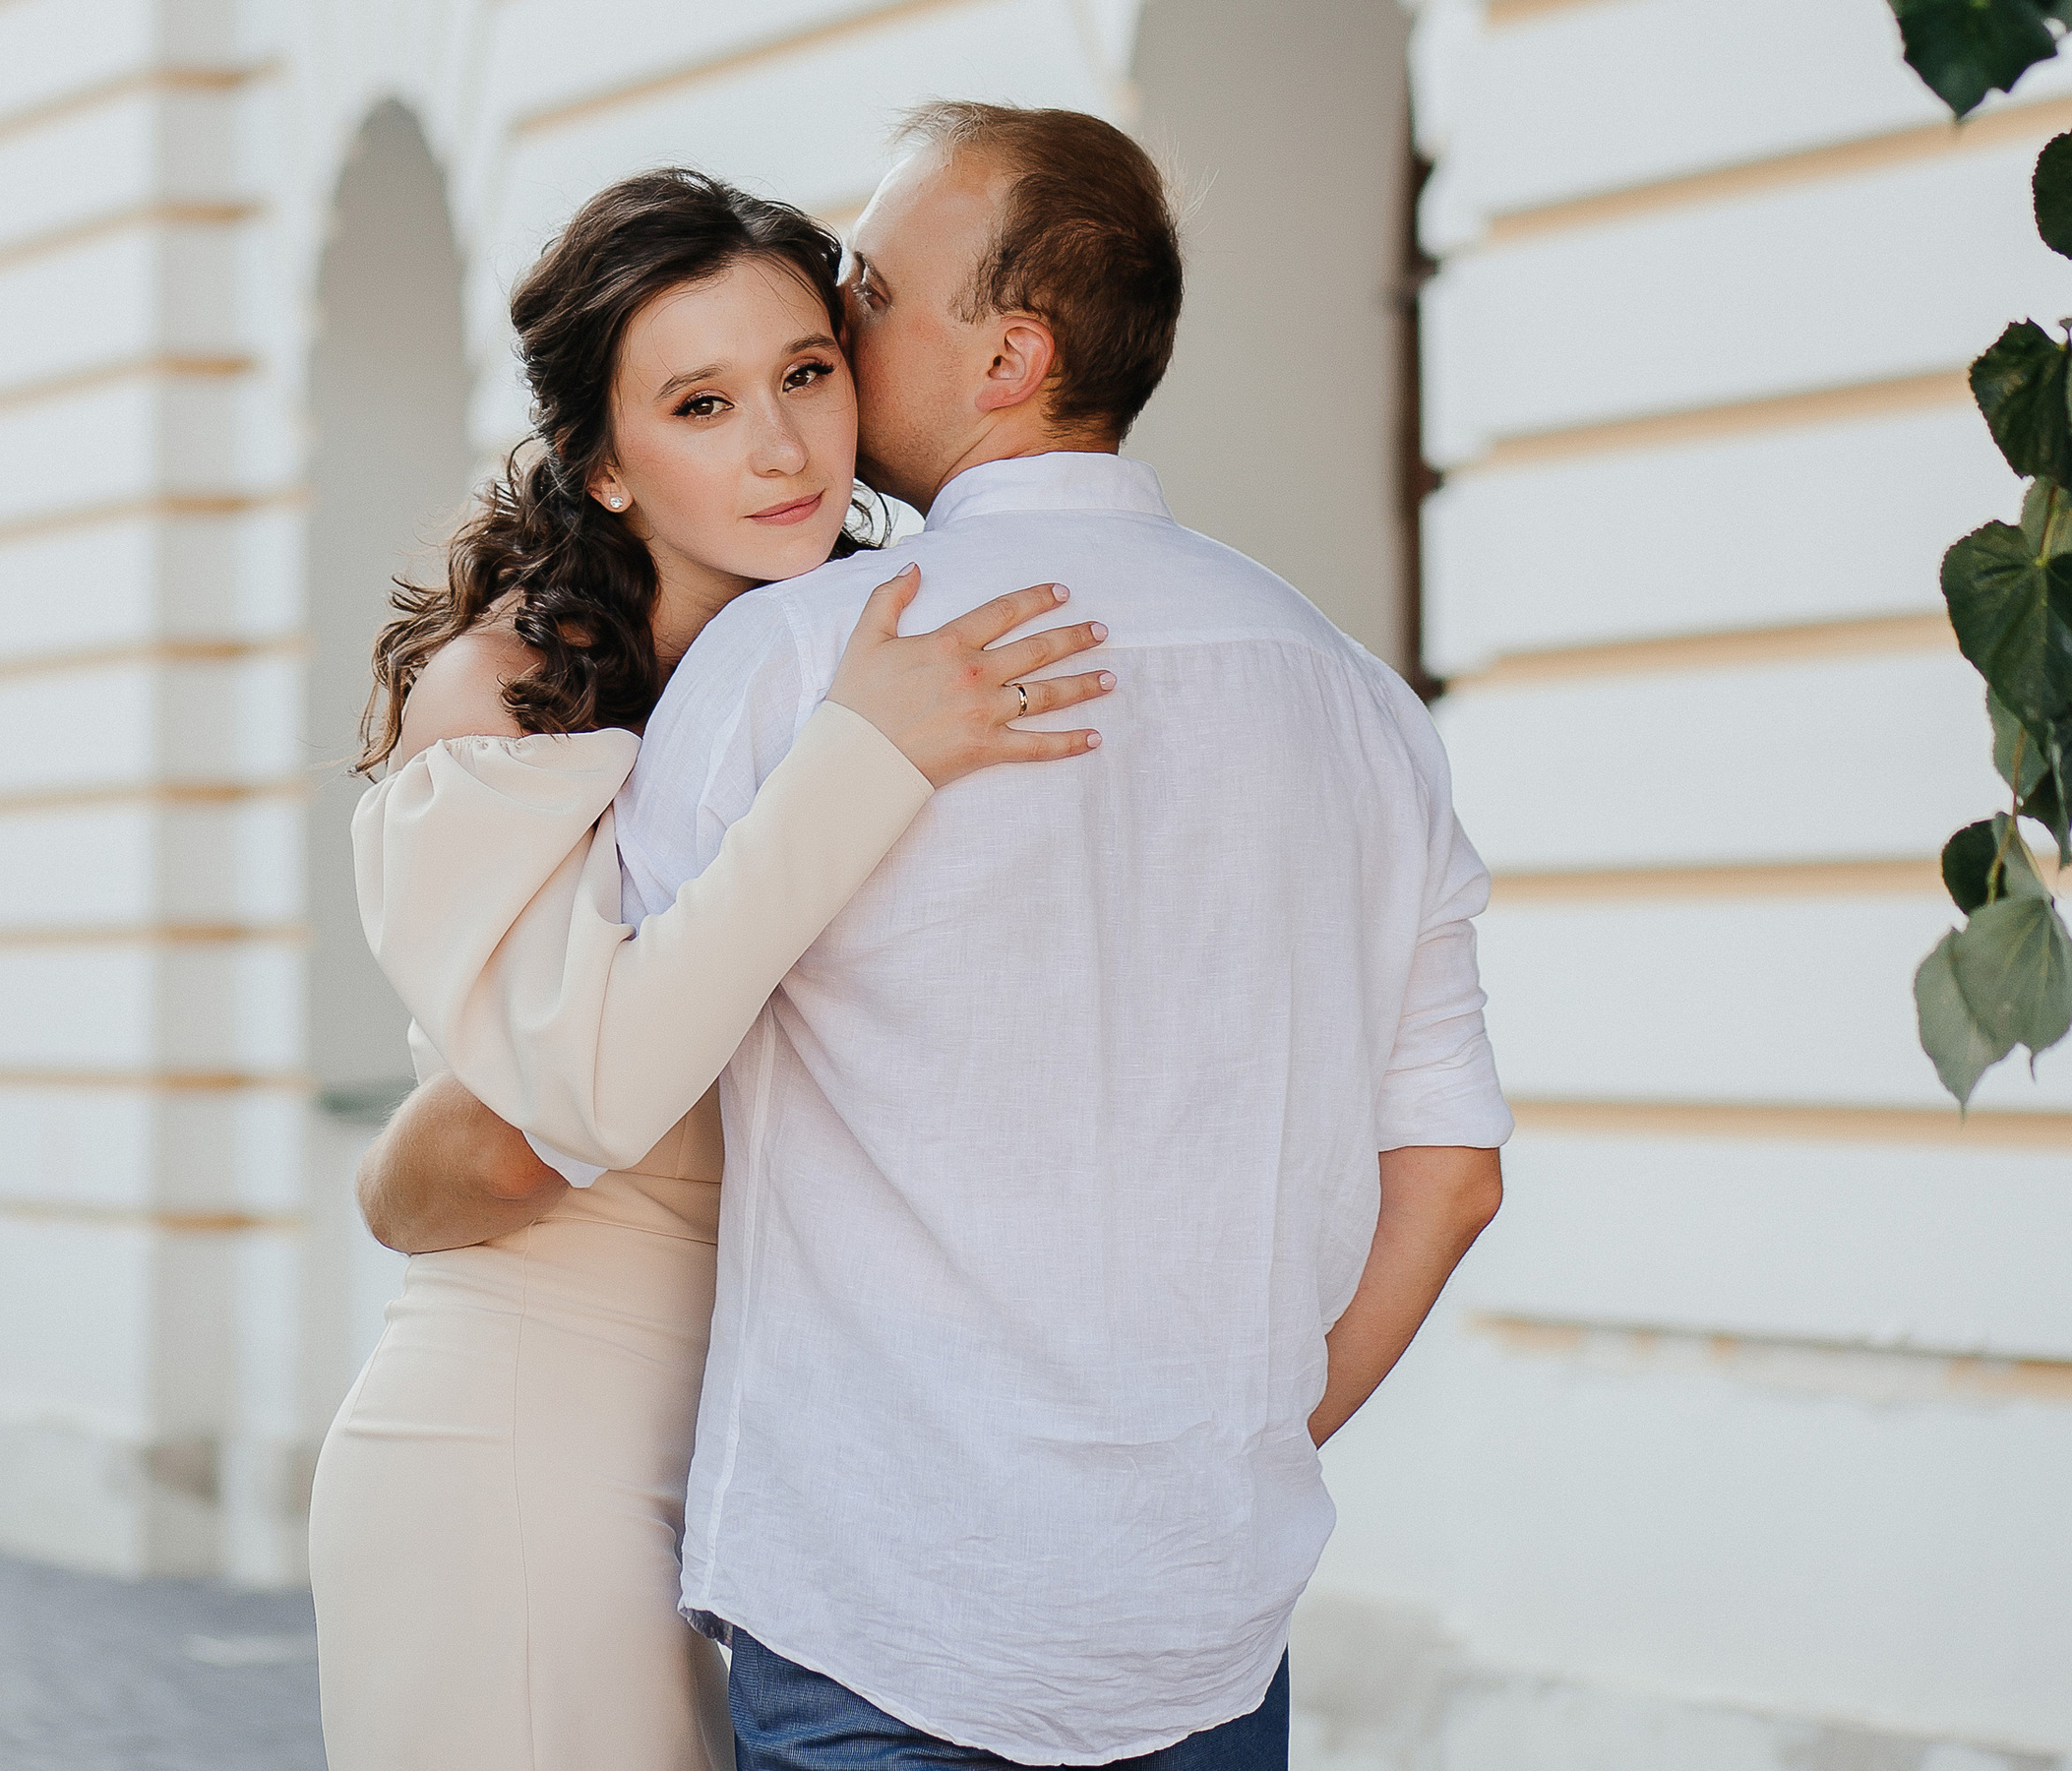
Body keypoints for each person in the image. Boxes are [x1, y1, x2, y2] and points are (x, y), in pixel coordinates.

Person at [371, 101, 1509, 1771]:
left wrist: (387, 1186)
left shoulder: (795, 657)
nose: (837, 320)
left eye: (867, 296)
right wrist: (1229, 1443)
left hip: (878, 1602)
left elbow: (566, 1099)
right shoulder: (1362, 702)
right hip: (1198, 1618)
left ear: (1010, 356)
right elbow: (1455, 1172)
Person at [310, 167, 1114, 1771]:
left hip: (799, 1471)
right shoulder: (508, 694)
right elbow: (581, 1098)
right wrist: (859, 765)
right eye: (701, 402)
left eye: (807, 374)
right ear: (604, 463)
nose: (779, 446)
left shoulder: (872, 642)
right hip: (537, 1444)